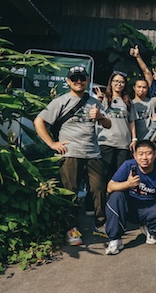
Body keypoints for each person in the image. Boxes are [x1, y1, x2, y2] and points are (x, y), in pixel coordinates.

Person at [34, 65, 112, 245]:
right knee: (70, 192)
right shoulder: (60, 101)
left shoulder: (94, 102)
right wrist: (52, 144)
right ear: (68, 81)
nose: (79, 81)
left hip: (93, 153)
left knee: (99, 189)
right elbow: (39, 121)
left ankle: (100, 225)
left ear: (86, 80)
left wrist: (100, 116)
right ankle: (71, 228)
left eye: (82, 78)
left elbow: (108, 125)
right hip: (70, 153)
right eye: (74, 78)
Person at [104, 140, 156, 255]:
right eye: (141, 154)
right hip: (128, 207)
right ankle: (115, 239)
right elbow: (109, 187)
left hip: (149, 208)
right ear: (135, 155)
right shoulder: (128, 165)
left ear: (155, 154)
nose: (144, 157)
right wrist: (128, 184)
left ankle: (150, 229)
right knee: (116, 195)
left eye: (148, 153)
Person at [96, 71, 138, 180]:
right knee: (104, 174)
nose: (119, 84)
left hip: (123, 143)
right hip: (106, 142)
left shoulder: (127, 101)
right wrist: (98, 100)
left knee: (120, 175)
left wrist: (134, 139)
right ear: (111, 83)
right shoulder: (104, 99)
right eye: (116, 81)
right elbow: (95, 115)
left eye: (122, 82)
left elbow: (131, 121)